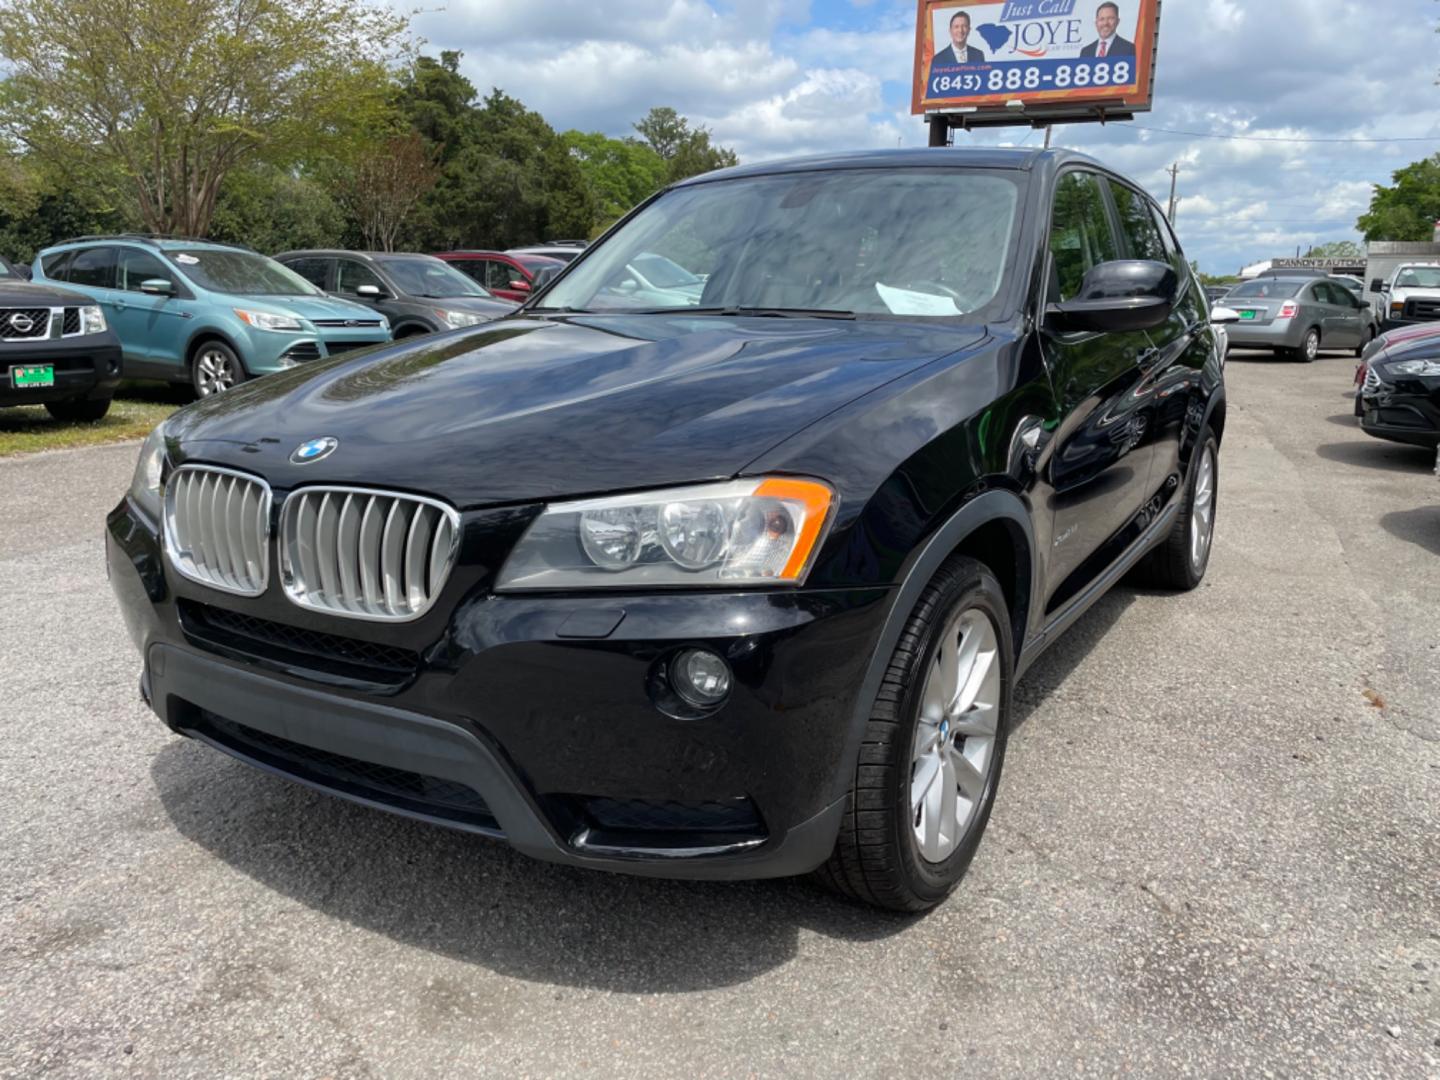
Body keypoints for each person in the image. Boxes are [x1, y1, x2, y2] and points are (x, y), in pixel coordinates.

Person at [930, 9, 987, 77]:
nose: (960, 30)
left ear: (969, 30)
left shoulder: (978, 55)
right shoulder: (938, 59)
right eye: (956, 27)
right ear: (950, 31)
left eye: (964, 26)